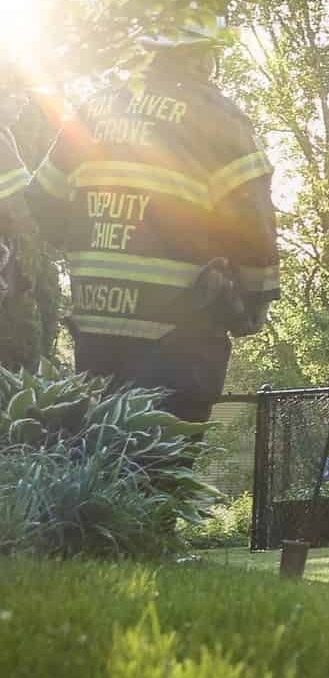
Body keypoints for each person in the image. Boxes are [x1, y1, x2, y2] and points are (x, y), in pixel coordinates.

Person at [0, 28, 278, 423]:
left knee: (102, 446)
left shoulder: (96, 109)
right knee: (162, 450)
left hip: (95, 327)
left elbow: (43, 198)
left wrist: (86, 247)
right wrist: (256, 301)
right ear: (203, 57)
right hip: (180, 333)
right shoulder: (218, 119)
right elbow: (253, 223)